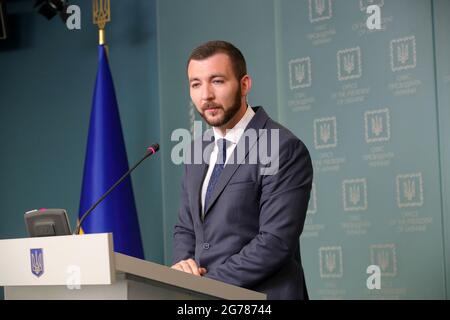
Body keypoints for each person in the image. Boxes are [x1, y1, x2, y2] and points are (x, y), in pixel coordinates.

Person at [171, 40, 313, 300]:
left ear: (244, 84)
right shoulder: (194, 151)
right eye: (196, 84)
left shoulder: (282, 147)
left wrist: (203, 284)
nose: (206, 96)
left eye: (217, 81)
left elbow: (274, 243)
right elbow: (186, 228)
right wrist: (183, 266)